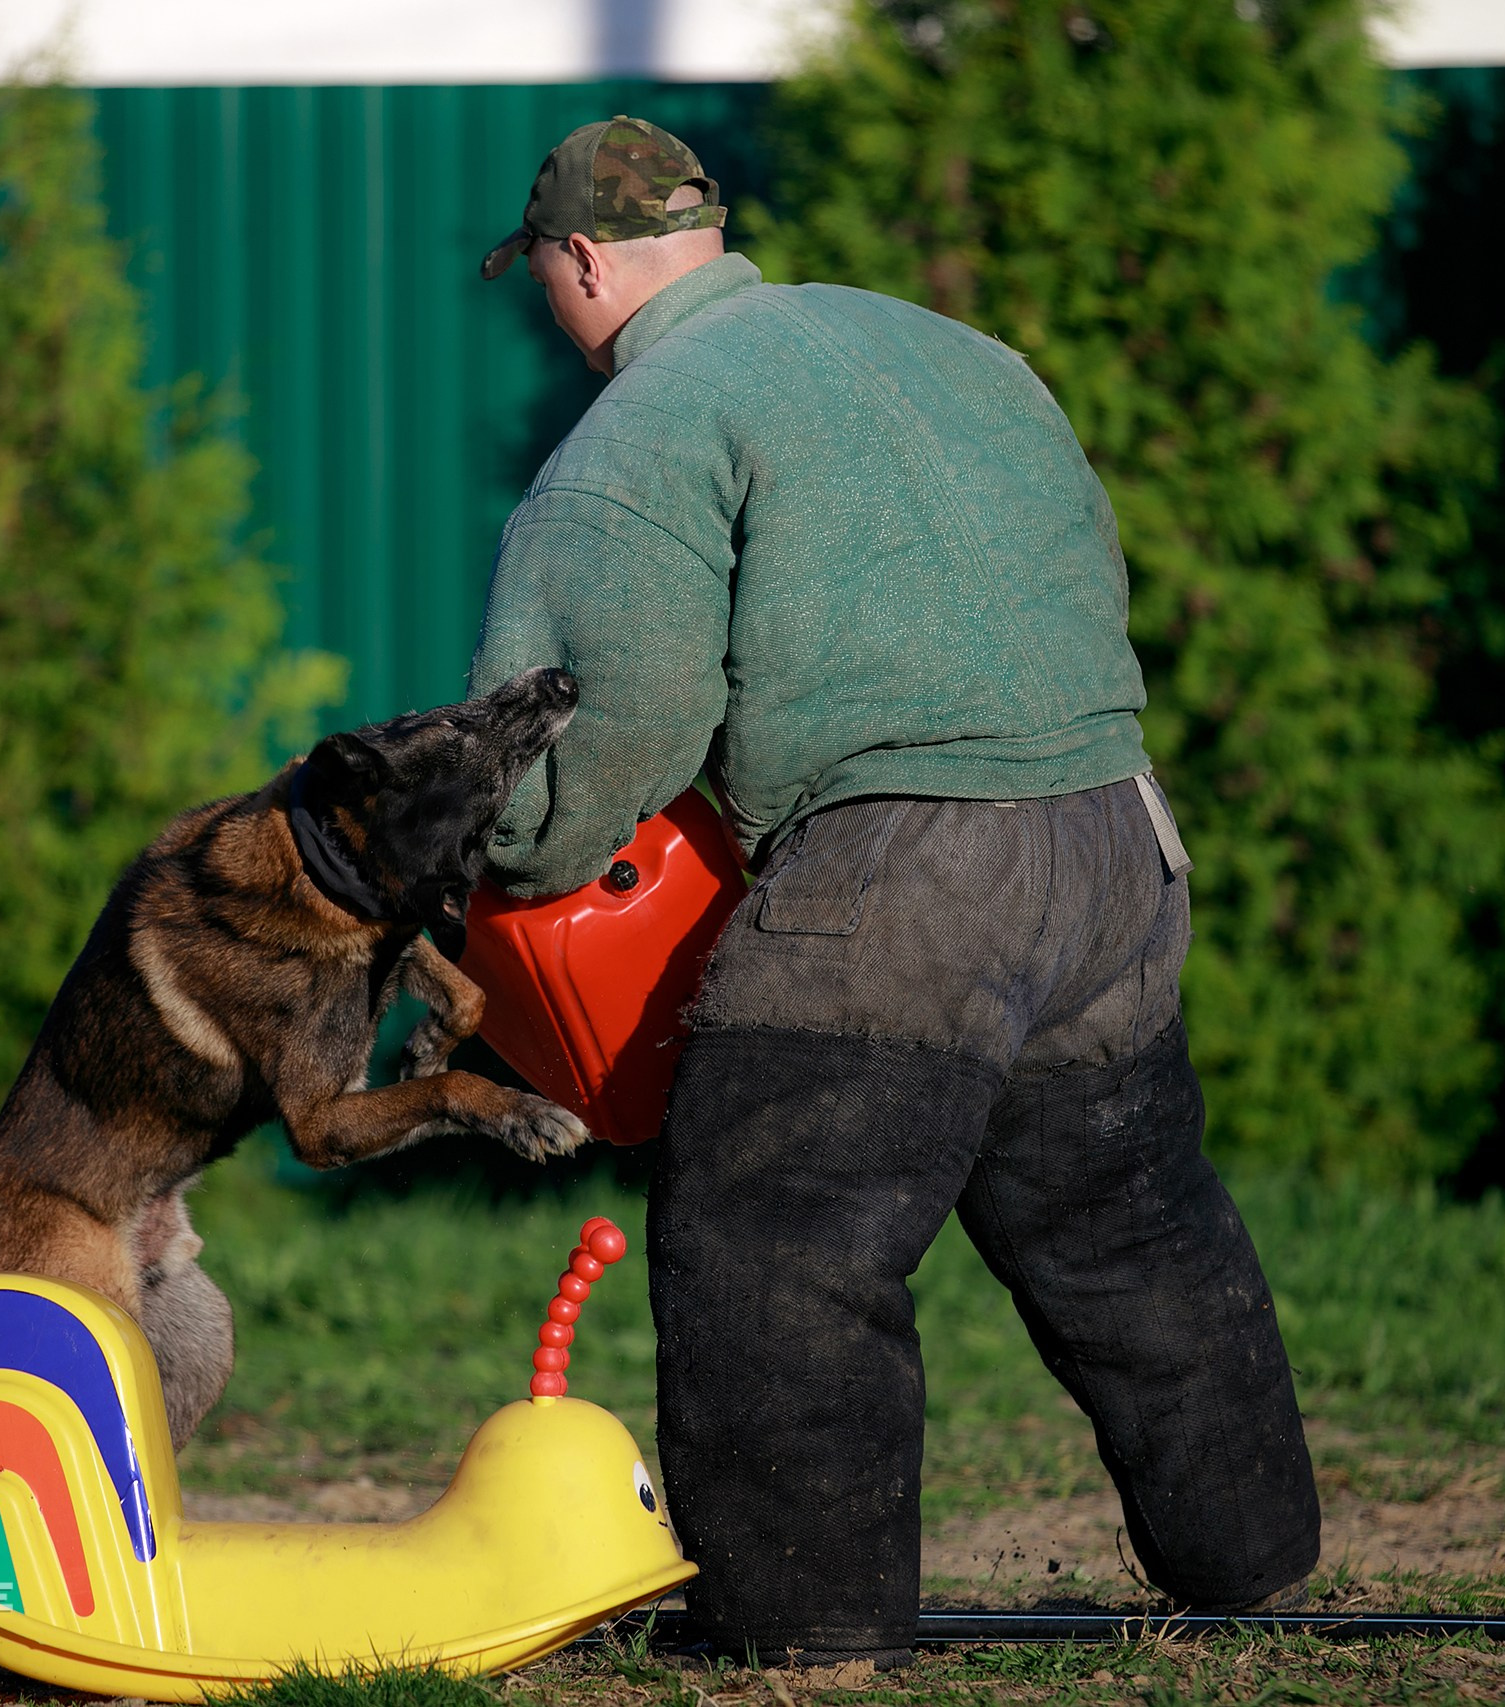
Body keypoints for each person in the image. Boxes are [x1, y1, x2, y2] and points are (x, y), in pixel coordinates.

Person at [471, 116, 1320, 1669]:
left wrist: (509, 864)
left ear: (582, 260)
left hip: (907, 872)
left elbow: (618, 716)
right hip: (1115, 836)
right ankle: (1252, 1566)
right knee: (1127, 1222)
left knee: (774, 1230)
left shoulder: (649, 425)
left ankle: (803, 1628)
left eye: (541, 276)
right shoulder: (958, 351)